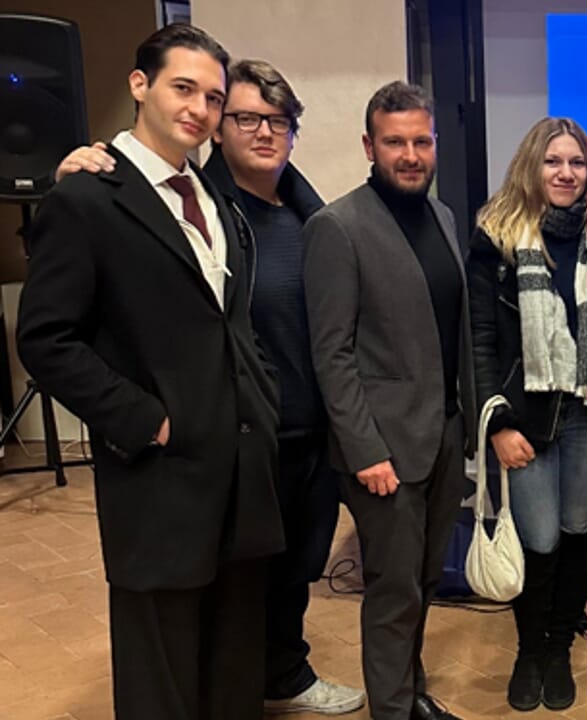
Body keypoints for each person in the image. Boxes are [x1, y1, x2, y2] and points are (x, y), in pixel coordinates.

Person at [55, 58, 365, 716]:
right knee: (183, 618)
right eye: (245, 117)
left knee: (274, 585)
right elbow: (61, 328)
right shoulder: (151, 198)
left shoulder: (302, 215)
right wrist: (147, 419)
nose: (263, 131)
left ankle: (281, 673)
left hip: (294, 430)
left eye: (278, 121)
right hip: (200, 443)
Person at [17, 24, 285, 719]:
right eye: (183, 88)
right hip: (159, 475)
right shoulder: (86, 198)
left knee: (233, 667)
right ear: (140, 85)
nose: (200, 109)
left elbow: (227, 321)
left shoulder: (215, 197)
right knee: (161, 678)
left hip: (240, 470)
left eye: (213, 98)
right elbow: (45, 339)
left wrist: (263, 400)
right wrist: (145, 421)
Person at [303, 81, 476, 720]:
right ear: (369, 146)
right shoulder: (336, 227)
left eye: (421, 141)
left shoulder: (443, 216)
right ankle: (393, 711)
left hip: (443, 436)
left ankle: (410, 691)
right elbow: (332, 353)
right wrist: (365, 451)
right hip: (382, 451)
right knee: (393, 590)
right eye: (395, 142)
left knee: (424, 582)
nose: (410, 155)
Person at [466, 116, 587, 713]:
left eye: (576, 162)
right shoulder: (497, 239)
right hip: (527, 417)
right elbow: (480, 340)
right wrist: (498, 425)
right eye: (553, 161)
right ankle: (528, 652)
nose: (565, 173)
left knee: (576, 532)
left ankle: (559, 649)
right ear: (531, 167)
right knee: (537, 539)